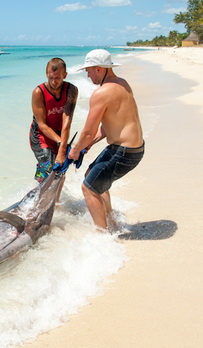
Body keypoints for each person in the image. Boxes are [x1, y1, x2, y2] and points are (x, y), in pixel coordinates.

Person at [68, 49, 145, 231]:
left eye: (88, 70)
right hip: (132, 147)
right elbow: (110, 125)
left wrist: (75, 150)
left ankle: (101, 235)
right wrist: (89, 145)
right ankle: (111, 221)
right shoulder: (122, 84)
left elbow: (88, 131)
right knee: (91, 176)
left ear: (99, 69)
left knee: (88, 188)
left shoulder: (102, 93)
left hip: (124, 152)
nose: (87, 75)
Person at [29, 58, 78, 182]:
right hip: (40, 135)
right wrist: (62, 144)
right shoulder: (38, 92)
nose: (54, 81)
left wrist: (62, 148)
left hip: (59, 133)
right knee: (48, 167)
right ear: (47, 74)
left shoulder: (71, 90)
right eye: (50, 78)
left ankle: (56, 198)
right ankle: (39, 190)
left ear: (65, 75)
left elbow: (67, 122)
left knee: (60, 169)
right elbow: (42, 125)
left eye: (57, 78)